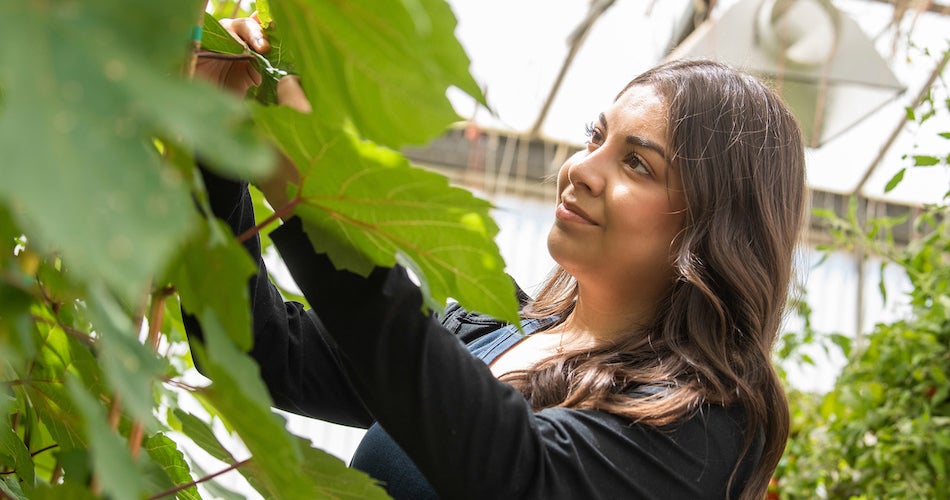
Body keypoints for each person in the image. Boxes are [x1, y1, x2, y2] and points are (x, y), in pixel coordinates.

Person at [186, 17, 806, 500]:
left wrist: (312, 204)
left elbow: (510, 471)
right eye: (596, 137)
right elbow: (261, 350)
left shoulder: (705, 421)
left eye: (637, 163)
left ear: (714, 224)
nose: (580, 170)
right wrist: (214, 142)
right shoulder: (500, 326)